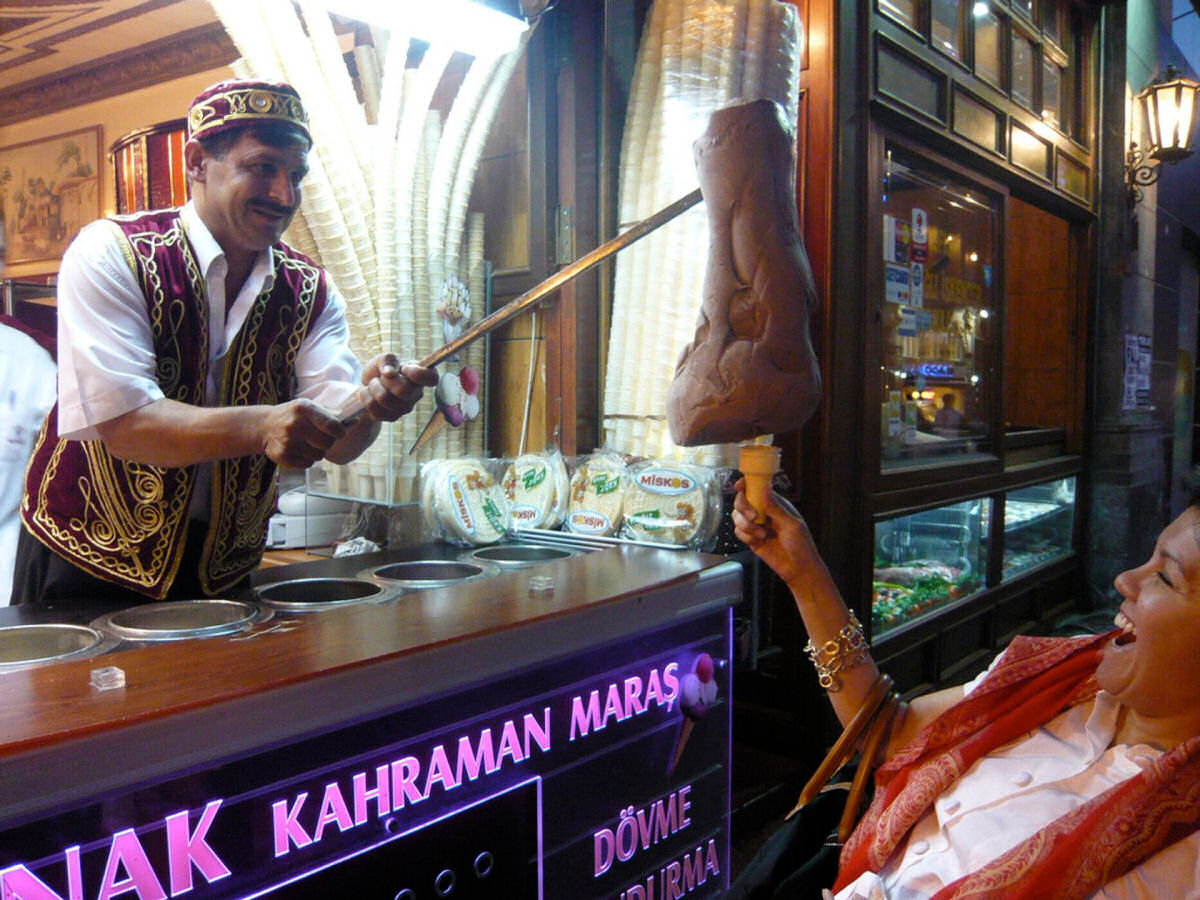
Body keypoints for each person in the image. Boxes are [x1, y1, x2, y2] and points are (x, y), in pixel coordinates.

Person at [12, 79, 437, 608]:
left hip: (223, 567)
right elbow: (128, 426)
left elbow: (339, 438)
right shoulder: (113, 254)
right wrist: (265, 425)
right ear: (196, 162)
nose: (285, 195)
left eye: (296, 174)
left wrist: (369, 406)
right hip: (89, 557)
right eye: (262, 167)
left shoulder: (311, 290)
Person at [728, 478, 1200, 899]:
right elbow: (890, 730)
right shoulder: (1063, 670)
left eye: (1164, 576)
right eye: (1147, 558)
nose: (1124, 580)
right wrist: (803, 571)